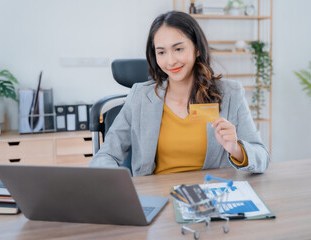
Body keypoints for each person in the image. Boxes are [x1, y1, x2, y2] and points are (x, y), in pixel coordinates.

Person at [89, 11, 270, 176]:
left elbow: (262, 157)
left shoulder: (230, 94)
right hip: (158, 198)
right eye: (161, 52)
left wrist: (236, 148)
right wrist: (118, 187)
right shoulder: (140, 96)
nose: (171, 61)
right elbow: (106, 155)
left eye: (178, 49)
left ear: (197, 49)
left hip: (212, 197)